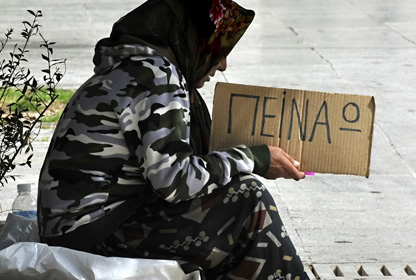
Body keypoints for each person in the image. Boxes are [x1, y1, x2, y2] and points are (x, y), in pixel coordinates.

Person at [37, 0, 309, 279]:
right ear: (195, 41)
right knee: (249, 199)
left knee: (229, 203)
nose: (223, 65)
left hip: (81, 225)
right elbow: (176, 181)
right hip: (93, 231)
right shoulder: (157, 75)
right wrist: (255, 158)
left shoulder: (137, 67)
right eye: (219, 51)